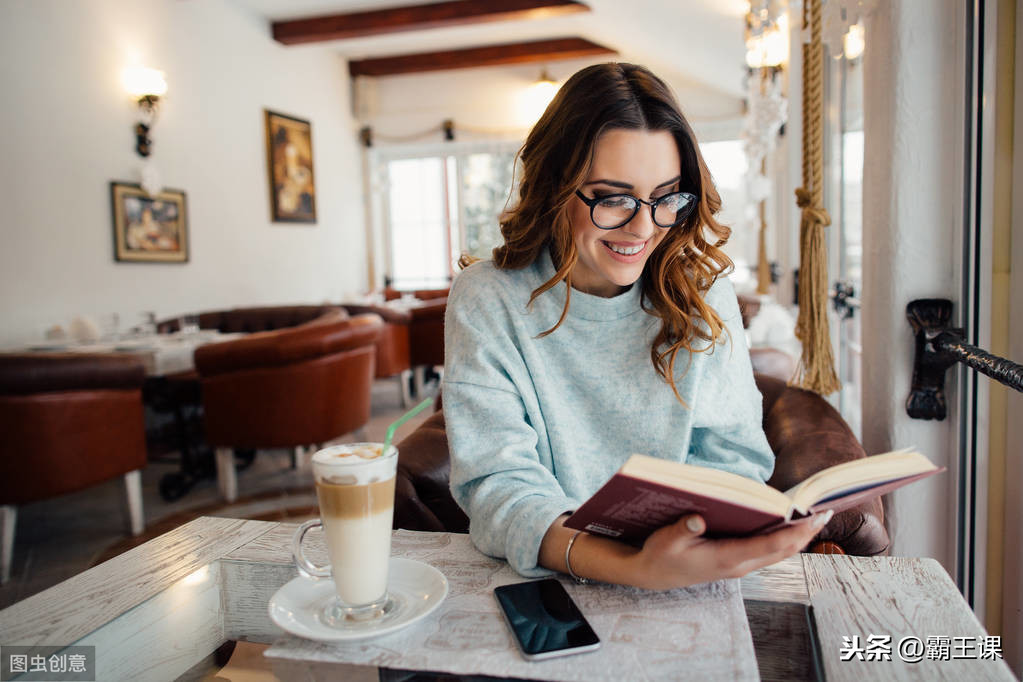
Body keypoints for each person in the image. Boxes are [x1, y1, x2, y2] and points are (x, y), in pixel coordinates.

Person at [442, 62, 830, 590]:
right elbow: (498, 483)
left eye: (667, 196)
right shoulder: (489, 298)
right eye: (613, 197)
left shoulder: (705, 294)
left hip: (687, 573)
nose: (644, 227)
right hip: (553, 581)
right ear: (556, 185)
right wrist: (631, 567)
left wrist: (688, 546)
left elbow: (734, 459)